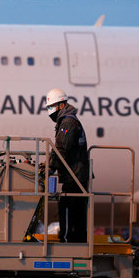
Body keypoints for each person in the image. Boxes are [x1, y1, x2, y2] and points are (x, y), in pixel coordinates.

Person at [45, 88, 89, 243]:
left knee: (69, 207)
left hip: (75, 175)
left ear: (62, 105)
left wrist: (50, 168)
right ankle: (74, 238)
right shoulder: (66, 121)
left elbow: (61, 148)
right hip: (74, 174)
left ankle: (69, 239)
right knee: (74, 208)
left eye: (52, 107)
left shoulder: (68, 122)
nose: (50, 111)